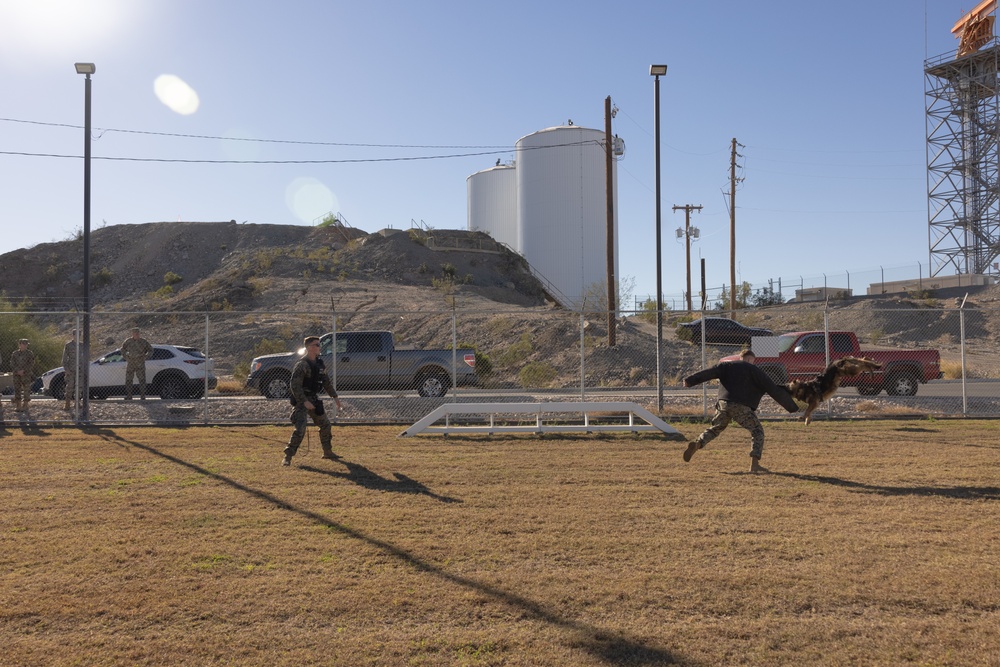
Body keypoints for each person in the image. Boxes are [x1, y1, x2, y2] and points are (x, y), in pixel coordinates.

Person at [682, 348, 800, 473]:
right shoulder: (755, 370)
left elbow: (708, 373)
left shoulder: (727, 365)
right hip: (741, 406)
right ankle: (754, 465)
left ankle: (697, 444)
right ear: (750, 359)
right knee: (757, 431)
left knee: (716, 428)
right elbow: (773, 390)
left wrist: (689, 381)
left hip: (723, 403)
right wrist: (793, 408)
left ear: (740, 357)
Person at [283, 336, 342, 467]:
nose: (320, 347)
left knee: (325, 425)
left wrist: (335, 397)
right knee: (300, 430)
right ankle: (288, 456)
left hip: (313, 400)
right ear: (310, 347)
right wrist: (304, 401)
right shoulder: (302, 365)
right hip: (301, 401)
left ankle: (328, 452)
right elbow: (295, 386)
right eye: (317, 345)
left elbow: (326, 382)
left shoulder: (319, 364)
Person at [121, 327, 153, 400]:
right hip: (131, 363)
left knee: (142, 380)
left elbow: (150, 350)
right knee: (129, 379)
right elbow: (123, 349)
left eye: (138, 333)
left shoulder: (143, 342)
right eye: (135, 333)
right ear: (132, 334)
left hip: (140, 363)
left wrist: (146, 356)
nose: (137, 334)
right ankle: (129, 395)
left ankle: (142, 396)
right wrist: (126, 357)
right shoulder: (128, 341)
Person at [10, 338, 36, 413]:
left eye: (26, 344)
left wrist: (23, 370)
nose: (25, 346)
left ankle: (25, 405)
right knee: (17, 388)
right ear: (19, 345)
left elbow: (31, 363)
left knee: (26, 389)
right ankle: (18, 405)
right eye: (23, 344)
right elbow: (12, 363)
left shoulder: (29, 353)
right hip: (16, 374)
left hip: (26, 374)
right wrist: (17, 371)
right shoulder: (15, 353)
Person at [62, 329, 79, 411]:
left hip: (80, 370)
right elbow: (64, 359)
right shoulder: (68, 345)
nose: (78, 336)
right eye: (76, 334)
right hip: (71, 369)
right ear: (73, 335)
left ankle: (77, 402)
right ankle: (67, 403)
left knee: (80, 387)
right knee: (70, 386)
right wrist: (66, 369)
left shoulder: (82, 345)